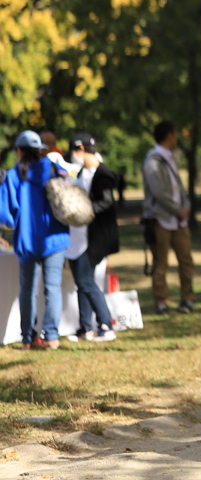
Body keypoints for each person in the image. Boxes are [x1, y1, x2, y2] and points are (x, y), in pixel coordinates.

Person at [0, 130, 70, 349]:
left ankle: (27, 339)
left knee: (27, 291)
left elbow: (6, 216)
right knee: (53, 288)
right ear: (40, 149)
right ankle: (51, 336)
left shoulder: (13, 175)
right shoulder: (52, 168)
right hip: (55, 238)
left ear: (19, 151)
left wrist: (16, 221)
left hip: (27, 241)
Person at [67, 134, 119, 341]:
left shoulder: (103, 174)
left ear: (81, 148)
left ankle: (106, 324)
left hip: (95, 237)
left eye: (74, 150)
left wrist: (85, 210)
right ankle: (85, 326)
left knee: (86, 280)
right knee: (82, 282)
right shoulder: (81, 173)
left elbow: (106, 202)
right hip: (78, 236)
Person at [142, 121, 194, 316]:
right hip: (161, 218)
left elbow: (179, 188)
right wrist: (176, 210)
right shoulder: (153, 161)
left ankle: (187, 299)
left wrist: (185, 206)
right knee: (160, 263)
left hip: (179, 220)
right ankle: (161, 301)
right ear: (169, 135)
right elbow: (159, 192)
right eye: (175, 134)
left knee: (186, 260)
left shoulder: (171, 158)